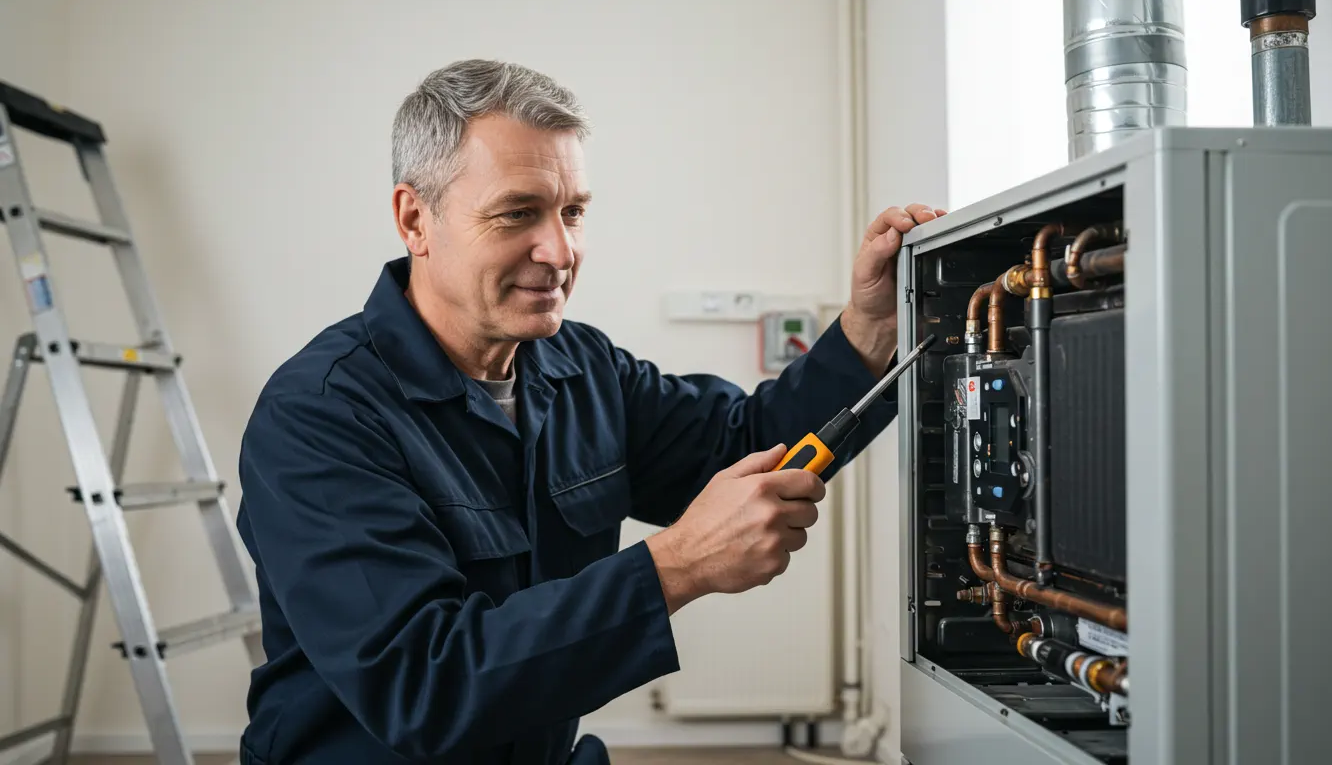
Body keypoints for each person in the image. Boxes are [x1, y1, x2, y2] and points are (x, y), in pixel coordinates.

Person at [234, 58, 944, 765]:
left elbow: (747, 443)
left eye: (573, 211)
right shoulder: (319, 417)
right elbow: (423, 683)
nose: (561, 250)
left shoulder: (582, 368)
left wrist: (869, 330)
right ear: (415, 219)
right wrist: (677, 566)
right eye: (518, 213)